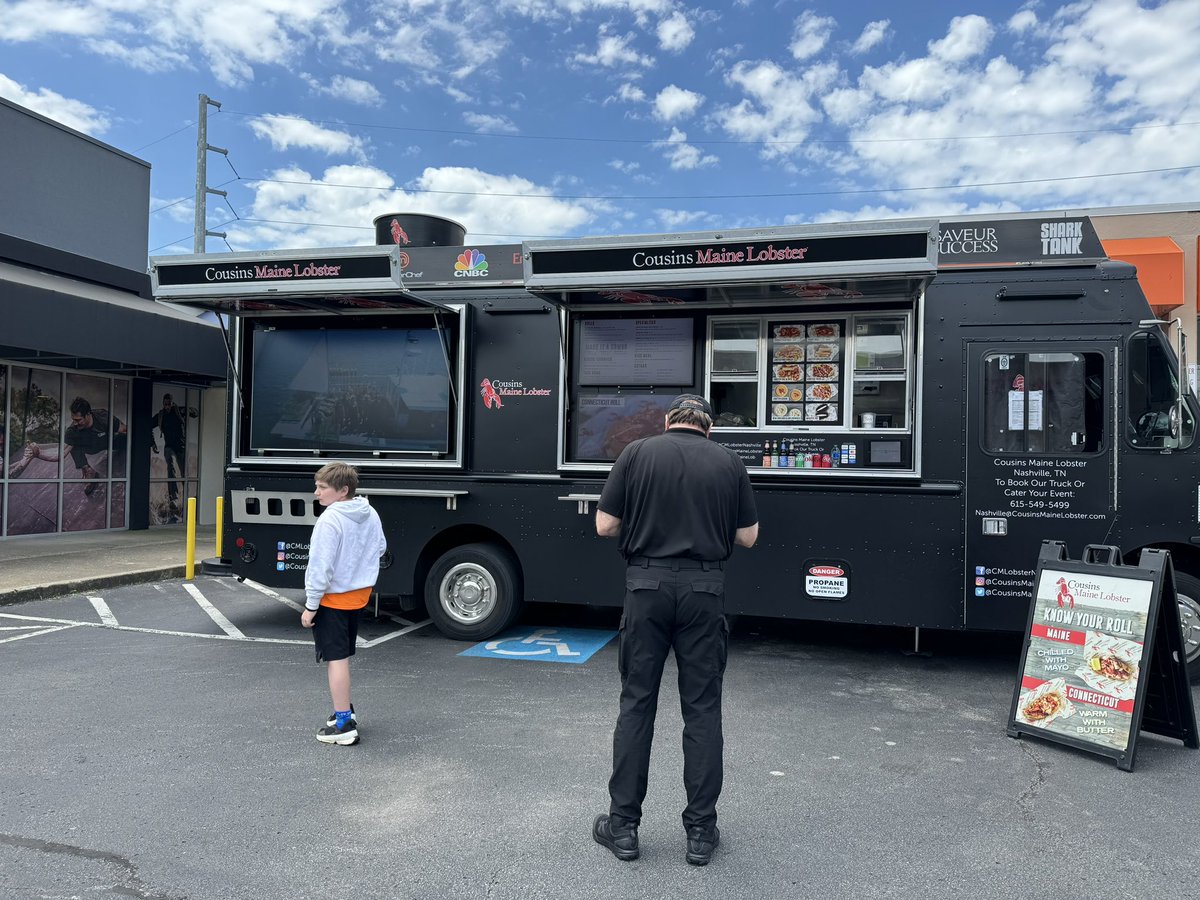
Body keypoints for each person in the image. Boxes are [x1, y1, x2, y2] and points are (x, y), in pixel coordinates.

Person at [591, 393, 758, 866]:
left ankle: (623, 828)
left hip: (646, 587)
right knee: (702, 709)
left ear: (668, 421)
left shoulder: (636, 453)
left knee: (637, 704)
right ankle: (701, 833)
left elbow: (605, 525)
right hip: (705, 590)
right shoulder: (729, 462)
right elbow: (748, 536)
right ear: (709, 427)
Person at [300, 462, 387, 746]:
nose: (317, 493)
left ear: (343, 490)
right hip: (359, 596)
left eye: (322, 487)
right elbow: (381, 547)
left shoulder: (330, 520)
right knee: (342, 657)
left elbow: (320, 567)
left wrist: (311, 606)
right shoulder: (369, 512)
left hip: (333, 599)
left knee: (336, 661)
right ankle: (345, 709)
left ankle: (343, 724)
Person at [28, 397, 127, 493]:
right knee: (73, 444)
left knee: (126, 438)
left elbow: (125, 429)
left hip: (109, 441)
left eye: (78, 420)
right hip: (91, 447)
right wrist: (39, 453)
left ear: (88, 414)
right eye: (73, 419)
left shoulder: (102, 417)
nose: (75, 423)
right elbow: (60, 453)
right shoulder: (72, 431)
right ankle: (88, 471)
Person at [150, 392, 198, 513]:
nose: (167, 406)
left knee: (183, 471)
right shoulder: (161, 416)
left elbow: (195, 413)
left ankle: (187, 498)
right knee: (170, 468)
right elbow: (148, 425)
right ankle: (174, 498)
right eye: (165, 403)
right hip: (169, 446)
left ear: (172, 403)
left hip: (180, 446)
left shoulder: (179, 411)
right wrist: (153, 443)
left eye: (169, 403)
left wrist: (188, 410)